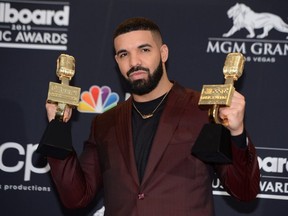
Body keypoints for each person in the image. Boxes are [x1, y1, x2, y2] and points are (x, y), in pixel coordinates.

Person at [43, 17, 260, 216]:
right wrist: (58, 128)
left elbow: (244, 191)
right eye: (123, 54)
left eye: (144, 49)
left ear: (163, 53)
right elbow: (77, 197)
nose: (134, 62)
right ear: (117, 61)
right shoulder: (104, 123)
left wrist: (236, 132)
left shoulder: (203, 110)